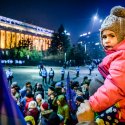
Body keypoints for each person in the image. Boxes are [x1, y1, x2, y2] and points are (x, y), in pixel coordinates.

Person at [77, 6, 125, 124]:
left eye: (112, 35)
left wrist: (92, 104)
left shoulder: (122, 56)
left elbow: (115, 86)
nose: (106, 40)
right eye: (104, 37)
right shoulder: (116, 54)